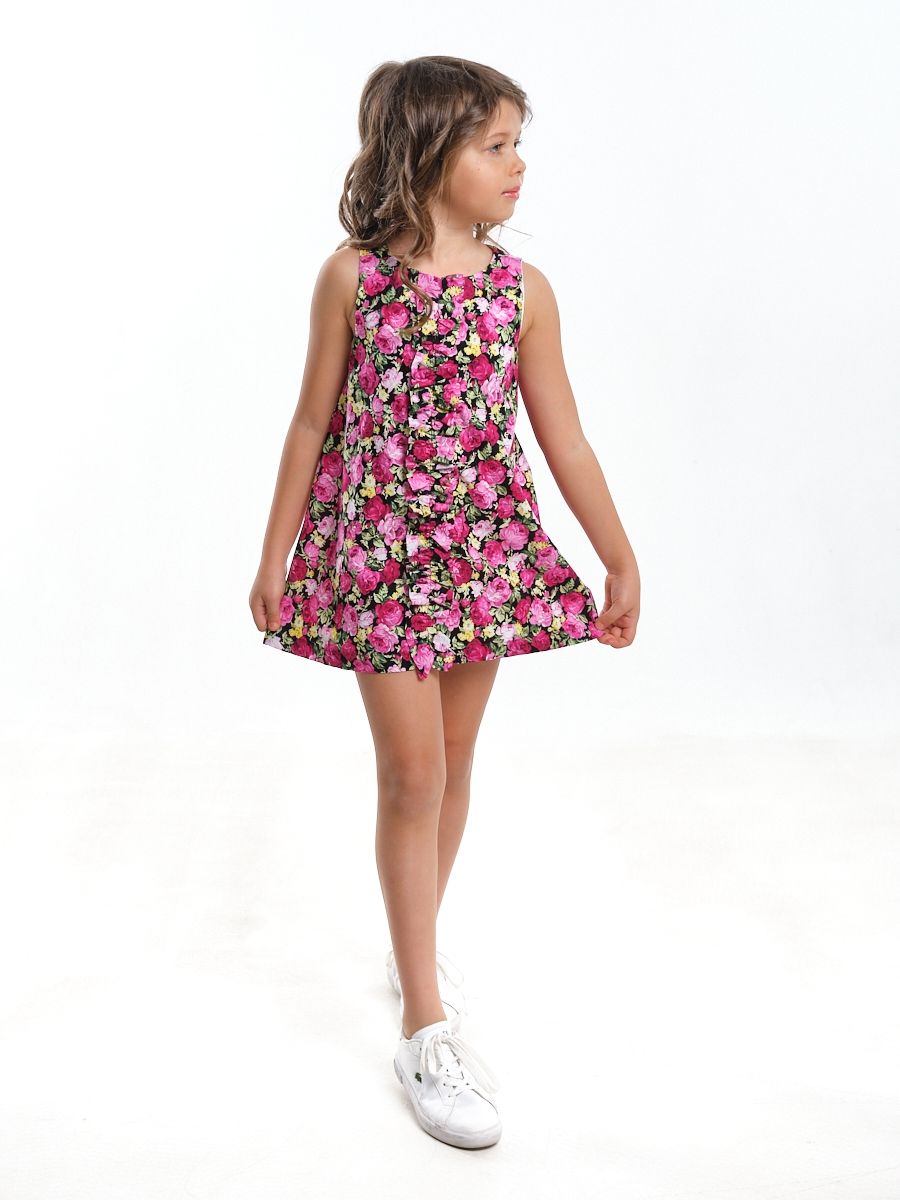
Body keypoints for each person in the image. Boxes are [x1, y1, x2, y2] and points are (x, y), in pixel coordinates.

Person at [249, 55, 640, 1150]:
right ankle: (425, 1026)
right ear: (426, 154)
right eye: (496, 145)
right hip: (380, 563)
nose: (519, 166)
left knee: (455, 766)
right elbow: (311, 423)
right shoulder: (352, 280)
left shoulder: (523, 293)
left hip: (481, 557)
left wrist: (618, 557)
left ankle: (411, 942)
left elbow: (565, 439)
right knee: (411, 775)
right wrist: (275, 555)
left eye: (518, 144)